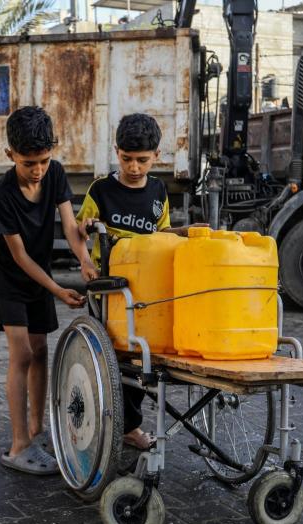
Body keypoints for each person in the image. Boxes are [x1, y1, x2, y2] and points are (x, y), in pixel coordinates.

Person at [76, 112, 207, 450]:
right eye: (127, 159)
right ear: (117, 152)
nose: (134, 167)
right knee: (115, 355)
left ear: (156, 157)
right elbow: (79, 229)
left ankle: (128, 426)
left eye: (142, 160)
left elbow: (161, 234)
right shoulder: (101, 190)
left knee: (140, 356)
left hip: (147, 287)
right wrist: (85, 259)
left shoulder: (158, 191)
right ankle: (111, 421)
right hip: (112, 286)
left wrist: (185, 232)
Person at [0, 106, 97, 475]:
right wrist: (57, 290)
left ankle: (37, 429)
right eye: (28, 163)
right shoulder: (1, 194)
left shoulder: (55, 174)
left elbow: (69, 225)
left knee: (40, 350)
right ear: (10, 155)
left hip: (40, 274)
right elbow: (17, 256)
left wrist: (84, 260)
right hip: (12, 279)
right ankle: (19, 445)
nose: (37, 171)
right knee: (20, 356)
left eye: (43, 161)